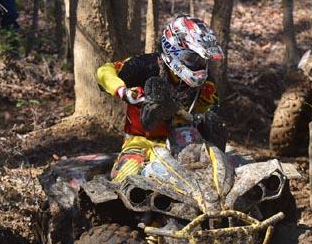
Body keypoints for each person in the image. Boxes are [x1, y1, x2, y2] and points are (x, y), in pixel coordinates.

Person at [96, 15, 225, 183]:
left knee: (218, 168)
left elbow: (209, 113)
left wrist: (208, 124)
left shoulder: (206, 84)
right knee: (126, 176)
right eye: (192, 58)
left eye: (201, 60)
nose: (198, 65)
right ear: (173, 49)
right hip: (142, 141)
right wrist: (123, 91)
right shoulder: (145, 66)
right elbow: (104, 71)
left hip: (187, 141)